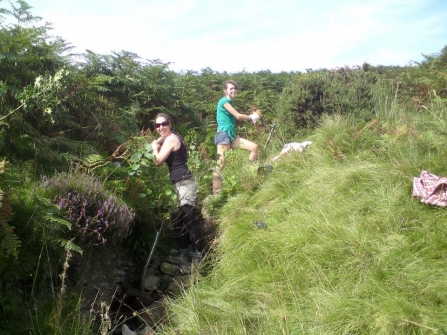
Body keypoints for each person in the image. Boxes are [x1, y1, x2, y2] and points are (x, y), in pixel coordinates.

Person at [150, 113, 203, 272]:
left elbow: (157, 161)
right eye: (157, 125)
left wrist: (154, 147)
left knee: (190, 221)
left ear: (170, 123)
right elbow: (162, 142)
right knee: (177, 220)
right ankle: (183, 254)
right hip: (178, 184)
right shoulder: (169, 138)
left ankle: (198, 259)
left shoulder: (172, 139)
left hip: (185, 183)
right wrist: (159, 140)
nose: (160, 127)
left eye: (164, 123)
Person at [213, 80, 260, 193]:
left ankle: (249, 174)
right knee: (222, 163)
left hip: (232, 135)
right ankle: (216, 192)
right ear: (225, 90)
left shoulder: (230, 102)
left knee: (254, 147)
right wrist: (251, 117)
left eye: (235, 88)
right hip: (223, 135)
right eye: (231, 88)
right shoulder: (224, 101)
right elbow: (238, 116)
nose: (233, 90)